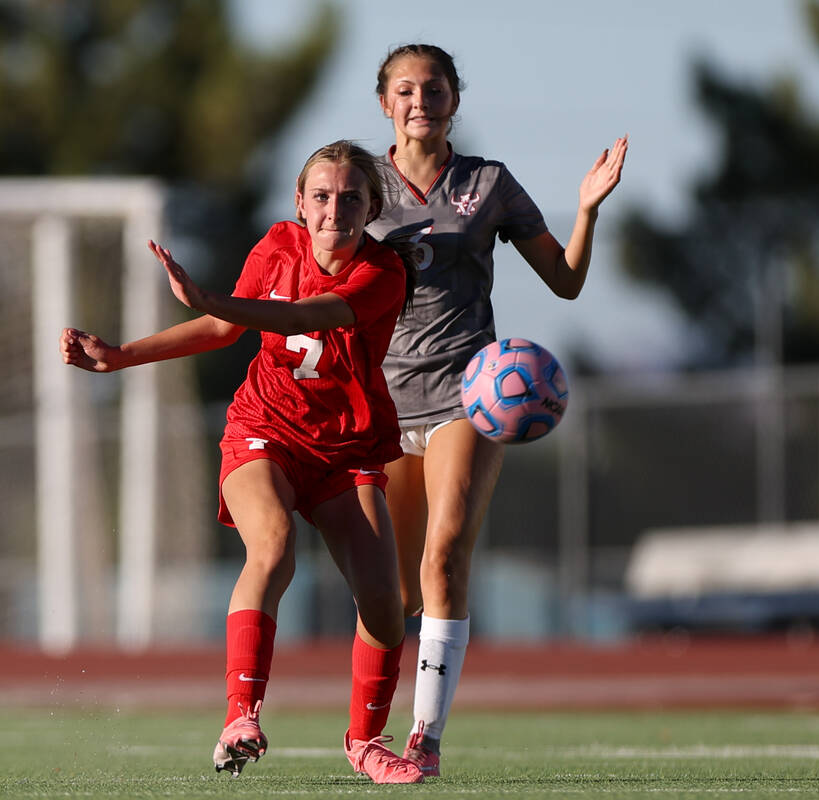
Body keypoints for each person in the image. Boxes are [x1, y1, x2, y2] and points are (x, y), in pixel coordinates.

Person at [60, 140, 424, 784]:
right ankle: (241, 716)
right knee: (273, 545)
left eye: (350, 198)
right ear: (299, 202)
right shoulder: (277, 244)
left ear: (371, 208)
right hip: (266, 430)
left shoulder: (385, 271)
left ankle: (366, 743)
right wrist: (120, 356)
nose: (333, 208)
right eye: (321, 196)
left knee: (386, 606)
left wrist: (209, 299)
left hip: (347, 447)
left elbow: (307, 314)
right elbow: (226, 331)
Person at [366, 44, 628, 777]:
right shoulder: (358, 186)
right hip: (381, 402)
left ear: (455, 98)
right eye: (406, 90)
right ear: (385, 102)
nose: (421, 100)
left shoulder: (488, 183)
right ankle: (368, 734)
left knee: (444, 558)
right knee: (386, 592)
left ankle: (426, 740)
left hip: (466, 395)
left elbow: (566, 283)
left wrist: (585, 208)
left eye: (436, 88)